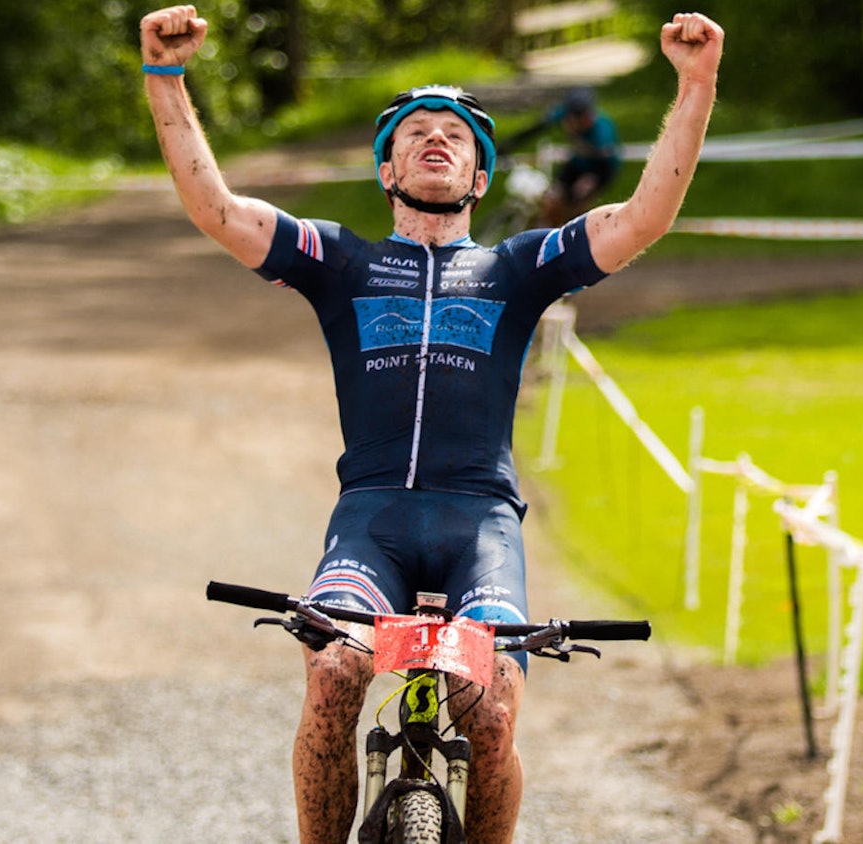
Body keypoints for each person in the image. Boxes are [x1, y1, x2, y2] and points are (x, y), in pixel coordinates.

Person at [139, 6, 722, 842]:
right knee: (335, 674)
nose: (436, 140)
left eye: (457, 135)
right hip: (371, 517)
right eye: (415, 132)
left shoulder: (518, 267)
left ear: (482, 177)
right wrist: (166, 77)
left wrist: (694, 84)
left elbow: (643, 220)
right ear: (387, 168)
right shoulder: (340, 260)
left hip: (479, 522)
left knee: (486, 718)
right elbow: (217, 211)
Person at [502, 87, 622, 226]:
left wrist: (590, 176)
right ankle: (552, 233)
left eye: (579, 118)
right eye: (571, 117)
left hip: (600, 168)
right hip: (577, 164)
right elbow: (535, 129)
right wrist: (508, 145)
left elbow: (605, 156)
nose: (574, 122)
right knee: (554, 197)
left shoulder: (602, 128)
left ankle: (581, 235)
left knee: (580, 195)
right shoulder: (565, 114)